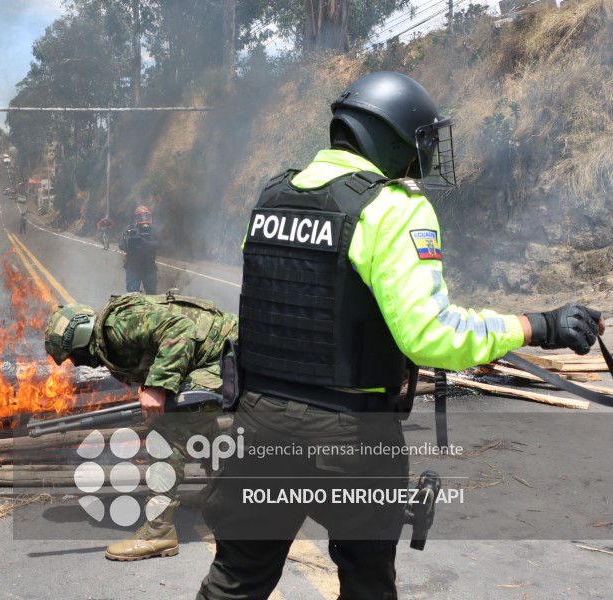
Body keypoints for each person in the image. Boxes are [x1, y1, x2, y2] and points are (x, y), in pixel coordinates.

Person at [195, 71, 605, 600]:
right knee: (367, 583)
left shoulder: (273, 195)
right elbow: (432, 336)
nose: (422, 158)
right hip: (349, 436)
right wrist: (538, 325)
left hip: (257, 422)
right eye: (420, 143)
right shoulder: (393, 208)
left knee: (235, 582)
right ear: (389, 139)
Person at [44, 292, 238, 562]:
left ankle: (160, 532)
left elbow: (179, 328)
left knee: (168, 430)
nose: (76, 363)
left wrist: (158, 386)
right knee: (196, 419)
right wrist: (153, 389)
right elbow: (154, 349)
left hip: (224, 355)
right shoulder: (109, 335)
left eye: (73, 357)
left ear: (80, 341)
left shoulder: (117, 327)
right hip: (211, 354)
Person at [119, 205, 160, 294]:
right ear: (136, 217)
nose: (144, 218)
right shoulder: (129, 229)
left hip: (149, 266)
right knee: (133, 294)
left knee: (152, 294)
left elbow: (161, 244)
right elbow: (121, 245)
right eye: (141, 216)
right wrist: (130, 243)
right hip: (133, 265)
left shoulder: (154, 229)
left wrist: (146, 243)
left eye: (146, 215)